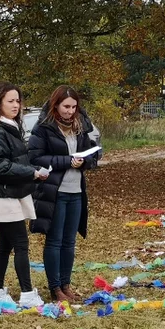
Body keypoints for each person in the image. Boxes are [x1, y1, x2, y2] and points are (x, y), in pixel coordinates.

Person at [0, 81, 49, 308]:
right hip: (3, 196)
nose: (16, 104)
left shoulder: (10, 128)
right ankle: (28, 294)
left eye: (18, 100)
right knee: (20, 243)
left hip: (11, 193)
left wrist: (32, 173)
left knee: (5, 245)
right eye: (10, 100)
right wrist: (32, 173)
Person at [28, 85, 99, 302]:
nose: (70, 111)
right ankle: (55, 288)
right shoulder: (43, 128)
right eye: (66, 106)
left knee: (69, 241)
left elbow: (93, 155)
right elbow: (35, 158)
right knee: (55, 241)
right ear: (56, 105)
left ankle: (66, 285)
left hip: (76, 192)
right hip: (54, 192)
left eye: (74, 107)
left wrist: (86, 160)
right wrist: (67, 161)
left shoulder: (80, 127)